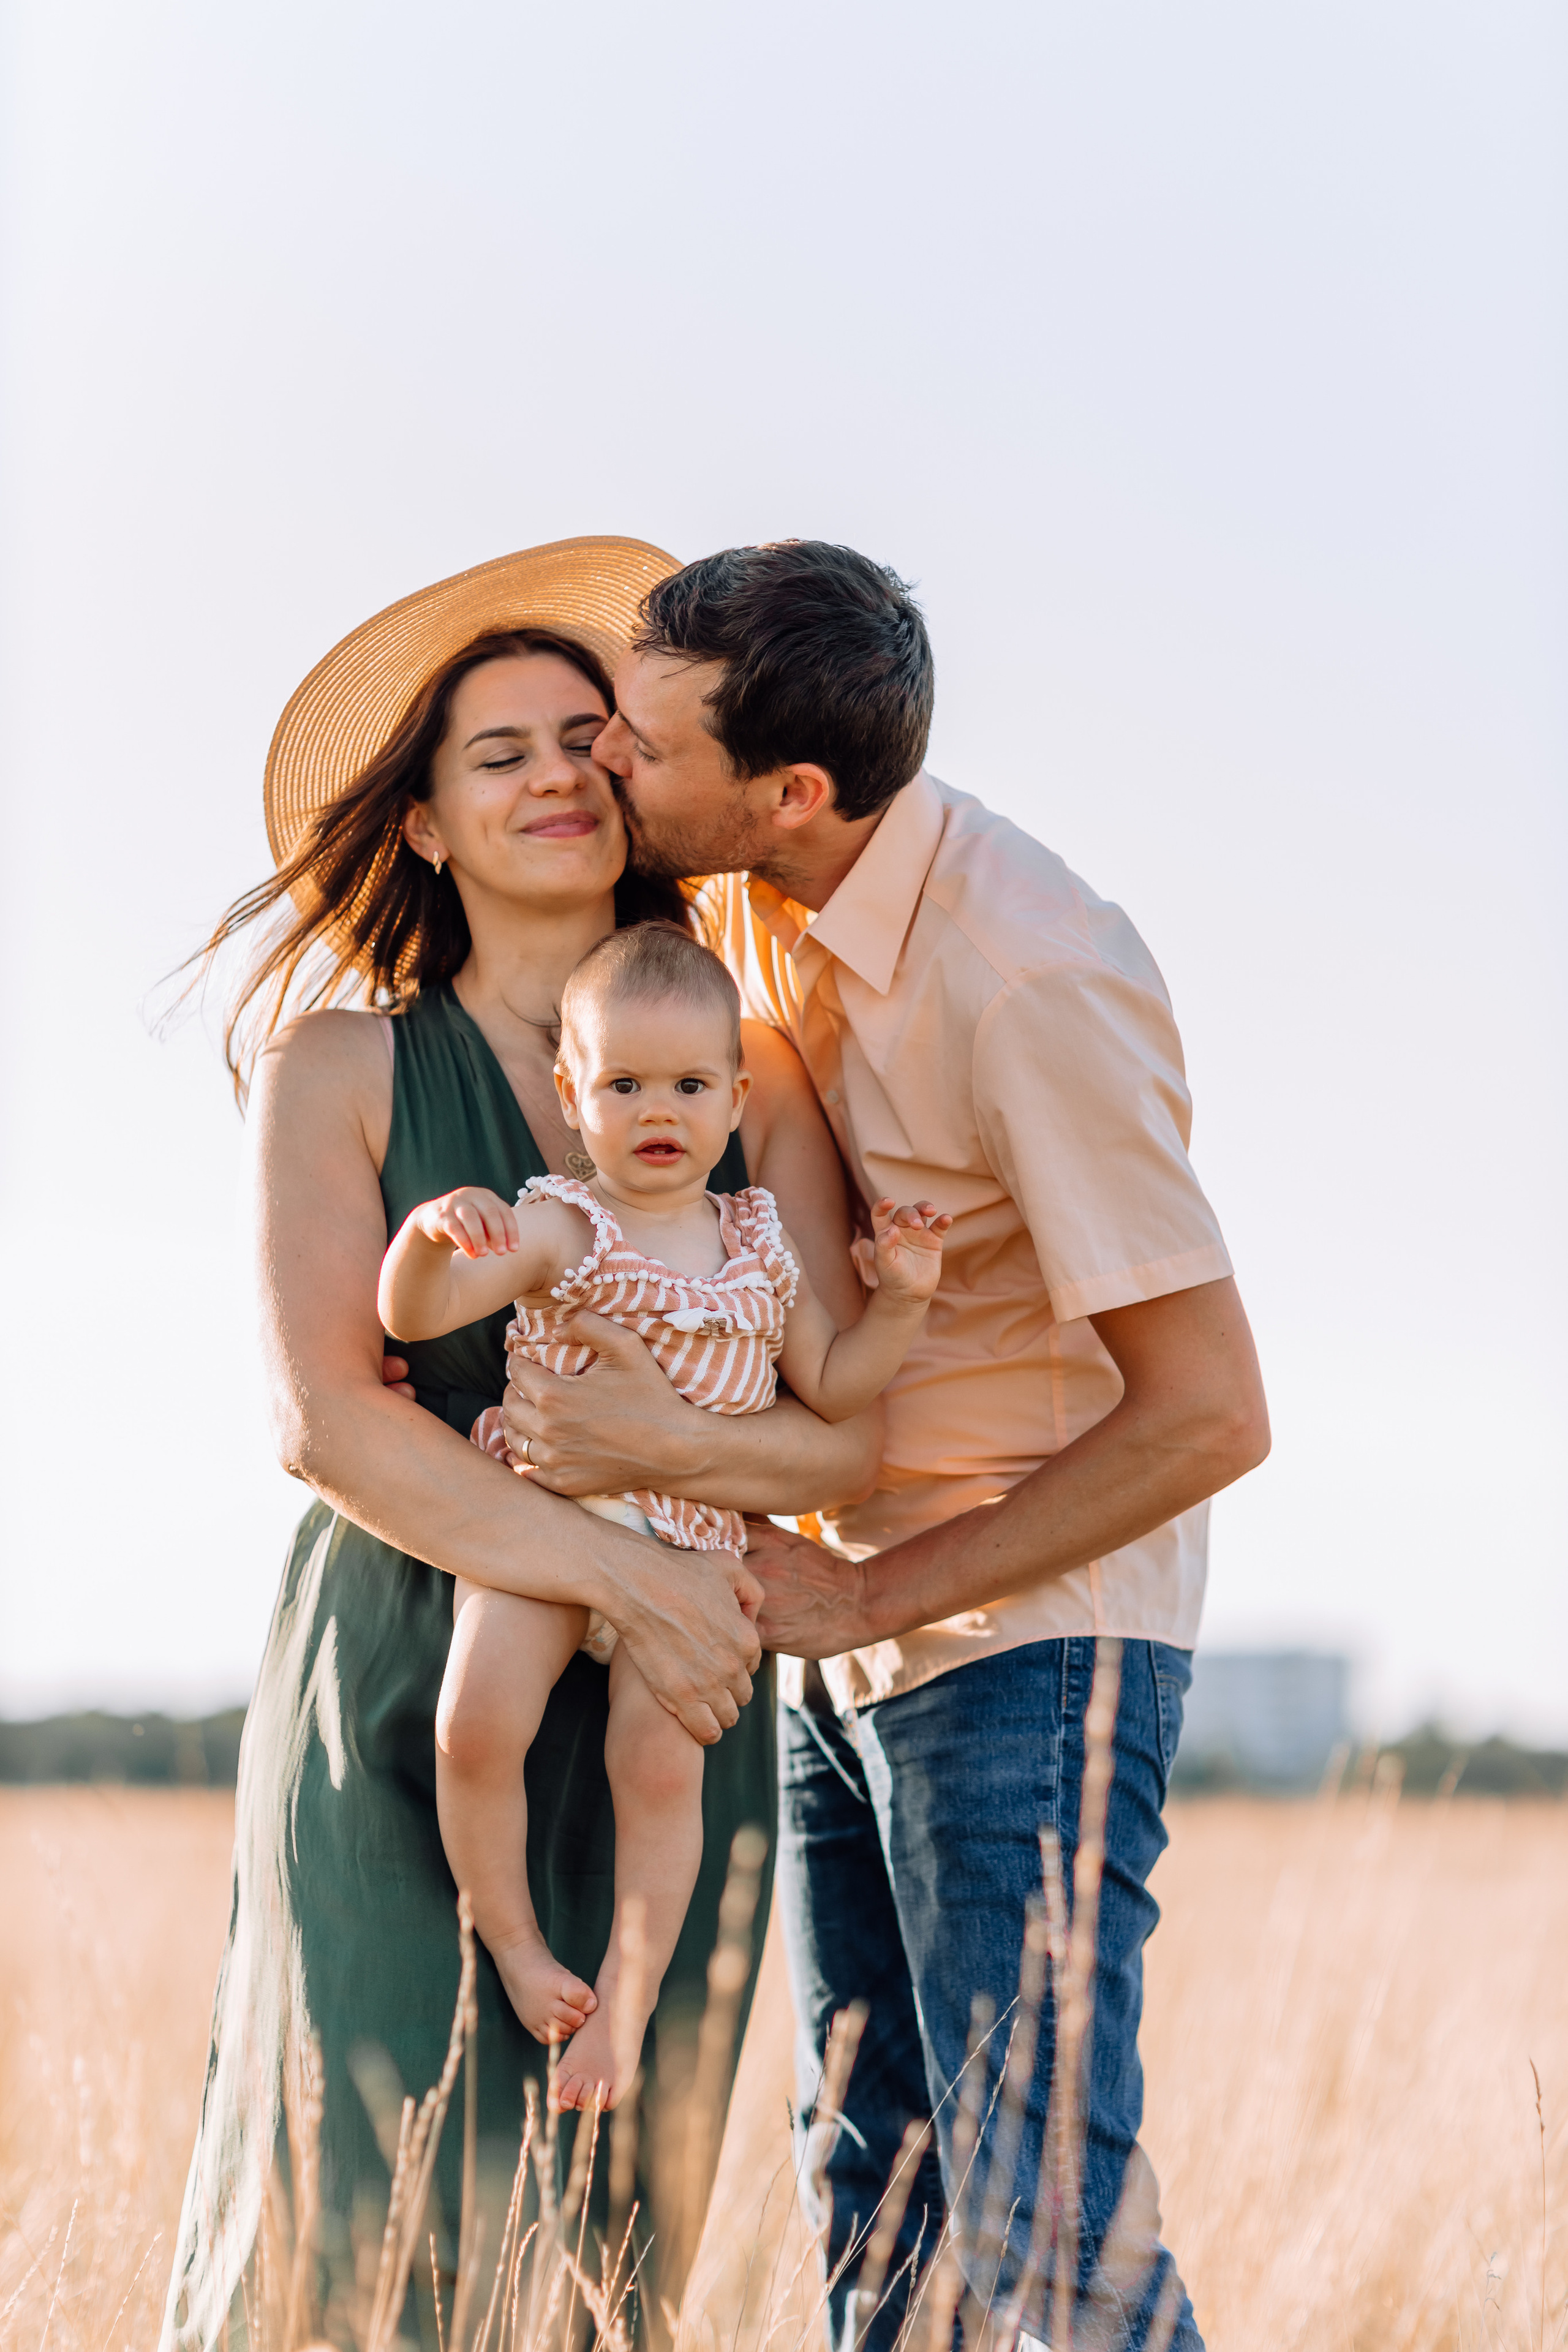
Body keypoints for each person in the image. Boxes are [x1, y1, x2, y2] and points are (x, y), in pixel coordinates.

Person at [498, 541, 1272, 2352]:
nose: (609, 760)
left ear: (792, 791)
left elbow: (1215, 1408)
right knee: (882, 2216)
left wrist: (873, 1596)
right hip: (844, 1617)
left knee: (1046, 2237)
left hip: (1025, 1640)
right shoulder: (765, 888)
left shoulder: (1027, 976)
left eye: (646, 745)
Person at [161, 539, 882, 2352]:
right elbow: (326, 1425)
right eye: (500, 754)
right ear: (417, 822)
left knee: (598, 2248)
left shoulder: (759, 1074)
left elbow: (842, 1435)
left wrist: (676, 1518)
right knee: (356, 2216)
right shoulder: (337, 1067)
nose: (560, 772)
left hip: (670, 1703)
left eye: (586, 736)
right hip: (412, 1689)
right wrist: (633, 1569)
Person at [380, 921, 950, 2114]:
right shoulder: (559, 1224)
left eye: (689, 1084)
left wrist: (899, 1304)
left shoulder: (754, 1244)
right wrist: (428, 1247)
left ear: (736, 1098)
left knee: (656, 1771)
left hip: (691, 1550)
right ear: (569, 1095)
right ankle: (517, 1945)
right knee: (477, 1724)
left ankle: (623, 2008)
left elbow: (838, 1385)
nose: (659, 1109)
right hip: (555, 1525)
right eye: (623, 1083)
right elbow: (423, 1312)